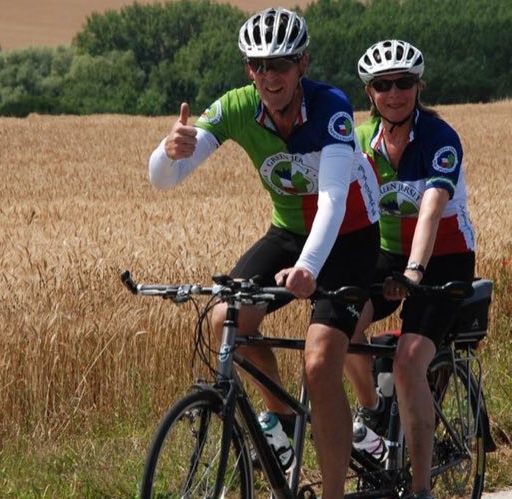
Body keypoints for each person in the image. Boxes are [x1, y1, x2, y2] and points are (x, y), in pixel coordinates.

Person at [146, 7, 380, 497]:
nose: (269, 76)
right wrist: (167, 155)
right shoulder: (236, 106)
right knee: (224, 318)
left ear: (302, 65)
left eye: (281, 64)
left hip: (350, 237)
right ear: (248, 70)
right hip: (289, 232)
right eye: (258, 65)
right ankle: (280, 421)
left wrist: (309, 269)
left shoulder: (331, 107)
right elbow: (167, 180)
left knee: (319, 364)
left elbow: (334, 200)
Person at [349, 39, 477, 499]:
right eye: (382, 85)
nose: (394, 92)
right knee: (341, 326)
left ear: (419, 86)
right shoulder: (362, 142)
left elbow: (430, 209)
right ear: (370, 94)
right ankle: (372, 417)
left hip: (443, 258)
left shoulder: (440, 139)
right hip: (387, 253)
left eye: (404, 83)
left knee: (407, 363)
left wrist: (416, 273)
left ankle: (420, 488)